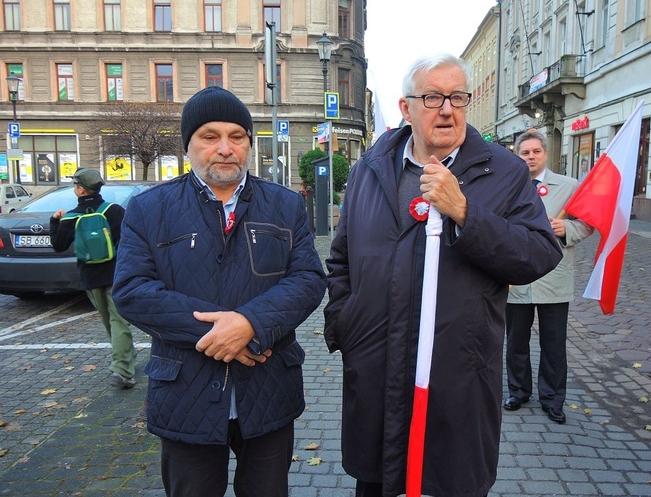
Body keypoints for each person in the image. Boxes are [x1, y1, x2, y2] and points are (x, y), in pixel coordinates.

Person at [324, 54, 563, 497]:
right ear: (406, 107)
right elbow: (341, 259)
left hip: (459, 375)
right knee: (379, 480)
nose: (448, 109)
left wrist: (465, 213)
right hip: (377, 367)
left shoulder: (503, 171)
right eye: (433, 97)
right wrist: (346, 323)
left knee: (451, 479)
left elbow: (539, 254)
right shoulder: (369, 170)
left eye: (457, 97)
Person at [112, 86, 326, 497]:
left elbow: (308, 280)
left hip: (267, 390)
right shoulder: (149, 208)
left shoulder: (285, 206)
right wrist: (219, 336)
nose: (225, 148)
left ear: (249, 143)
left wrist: (250, 323)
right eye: (210, 136)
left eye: (237, 136)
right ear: (188, 145)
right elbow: (133, 291)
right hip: (185, 394)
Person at [503, 131, 593, 425]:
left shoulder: (569, 187)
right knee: (516, 340)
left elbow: (587, 224)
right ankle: (518, 391)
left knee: (554, 344)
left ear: (546, 154)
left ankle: (553, 399)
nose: (530, 157)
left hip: (555, 277)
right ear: (517, 156)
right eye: (525, 152)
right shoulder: (507, 187)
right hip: (516, 278)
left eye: (536, 152)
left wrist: (566, 228)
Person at [50, 168, 136, 389]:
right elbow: (130, 241)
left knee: (109, 322)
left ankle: (123, 365)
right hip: (117, 274)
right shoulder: (114, 211)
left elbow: (59, 246)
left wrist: (54, 222)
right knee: (119, 321)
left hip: (90, 276)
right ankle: (124, 365)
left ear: (80, 189)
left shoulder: (70, 217)